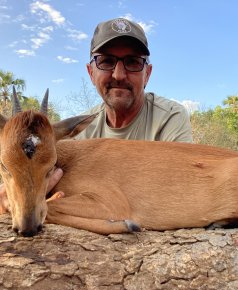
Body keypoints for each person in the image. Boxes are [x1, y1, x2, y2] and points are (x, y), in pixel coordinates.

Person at [0, 18, 193, 213]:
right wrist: (15, 192)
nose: (118, 75)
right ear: (91, 73)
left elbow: (180, 188)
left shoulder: (170, 117)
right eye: (106, 62)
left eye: (133, 62)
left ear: (148, 74)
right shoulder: (79, 130)